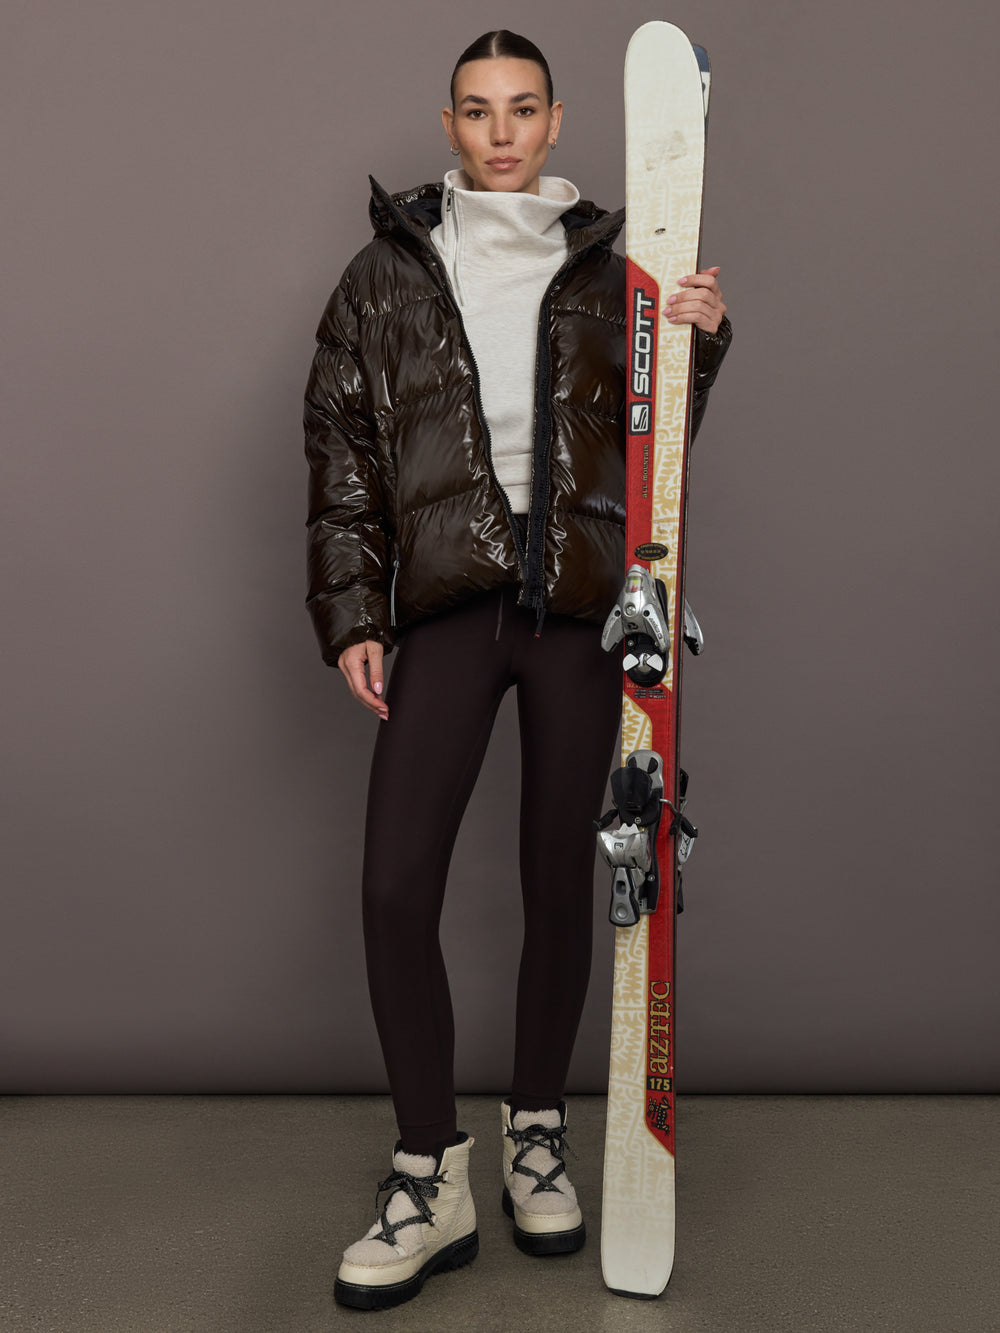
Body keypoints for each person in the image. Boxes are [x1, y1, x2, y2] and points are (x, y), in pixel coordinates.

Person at [303, 30, 731, 1311]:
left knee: (563, 878)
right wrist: (349, 615)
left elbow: (653, 442)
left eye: (524, 109)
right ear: (449, 123)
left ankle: (535, 1129)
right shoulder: (386, 274)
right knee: (394, 885)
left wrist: (695, 339)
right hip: (443, 604)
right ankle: (429, 1166)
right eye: (479, 111)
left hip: (580, 613)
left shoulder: (614, 265)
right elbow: (340, 453)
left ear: (553, 126)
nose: (502, 131)